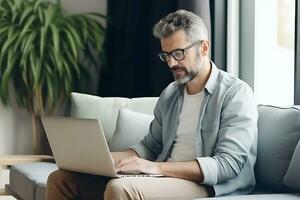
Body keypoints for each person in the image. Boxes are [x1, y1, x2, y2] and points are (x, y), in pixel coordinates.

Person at [47, 9, 258, 200]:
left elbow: (228, 164)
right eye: (166, 55)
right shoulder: (171, 94)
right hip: (163, 176)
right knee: (61, 179)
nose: (172, 63)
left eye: (178, 53)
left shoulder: (236, 94)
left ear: (203, 47)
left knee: (121, 189)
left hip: (209, 185)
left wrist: (156, 168)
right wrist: (101, 160)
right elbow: (150, 146)